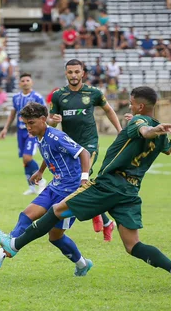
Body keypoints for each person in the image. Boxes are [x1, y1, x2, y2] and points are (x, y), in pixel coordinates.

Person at [0, 86, 171, 290]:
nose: (129, 106)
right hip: (130, 191)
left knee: (57, 210)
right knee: (133, 246)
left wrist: (147, 128)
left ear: (140, 106)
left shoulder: (137, 121)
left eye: (131, 103)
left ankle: (14, 245)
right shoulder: (161, 133)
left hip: (108, 184)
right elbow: (168, 149)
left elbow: (144, 130)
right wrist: (156, 130)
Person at [0, 102, 92, 275]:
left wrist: (84, 179)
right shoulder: (41, 137)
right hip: (55, 186)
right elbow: (51, 154)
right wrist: (40, 171)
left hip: (70, 192)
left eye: (31, 123)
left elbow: (84, 152)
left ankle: (83, 264)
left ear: (43, 119)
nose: (28, 128)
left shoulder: (56, 136)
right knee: (26, 215)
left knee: (55, 237)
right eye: (25, 124)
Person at [48, 59, 122, 241]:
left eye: (77, 72)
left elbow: (109, 110)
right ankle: (104, 220)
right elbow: (51, 120)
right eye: (70, 72)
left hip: (89, 145)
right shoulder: (59, 95)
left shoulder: (93, 92)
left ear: (83, 73)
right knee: (80, 183)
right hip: (69, 147)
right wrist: (53, 120)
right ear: (66, 73)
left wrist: (120, 131)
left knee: (83, 178)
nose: (73, 75)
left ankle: (100, 218)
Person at [0, 73, 47, 195]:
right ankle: (31, 187)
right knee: (24, 160)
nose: (25, 82)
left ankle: (41, 180)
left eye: (27, 80)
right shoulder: (16, 97)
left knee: (27, 157)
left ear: (32, 82)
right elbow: (13, 114)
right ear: (20, 83)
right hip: (21, 132)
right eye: (23, 80)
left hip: (32, 132)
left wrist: (40, 130)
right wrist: (5, 129)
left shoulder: (37, 97)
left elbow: (45, 115)